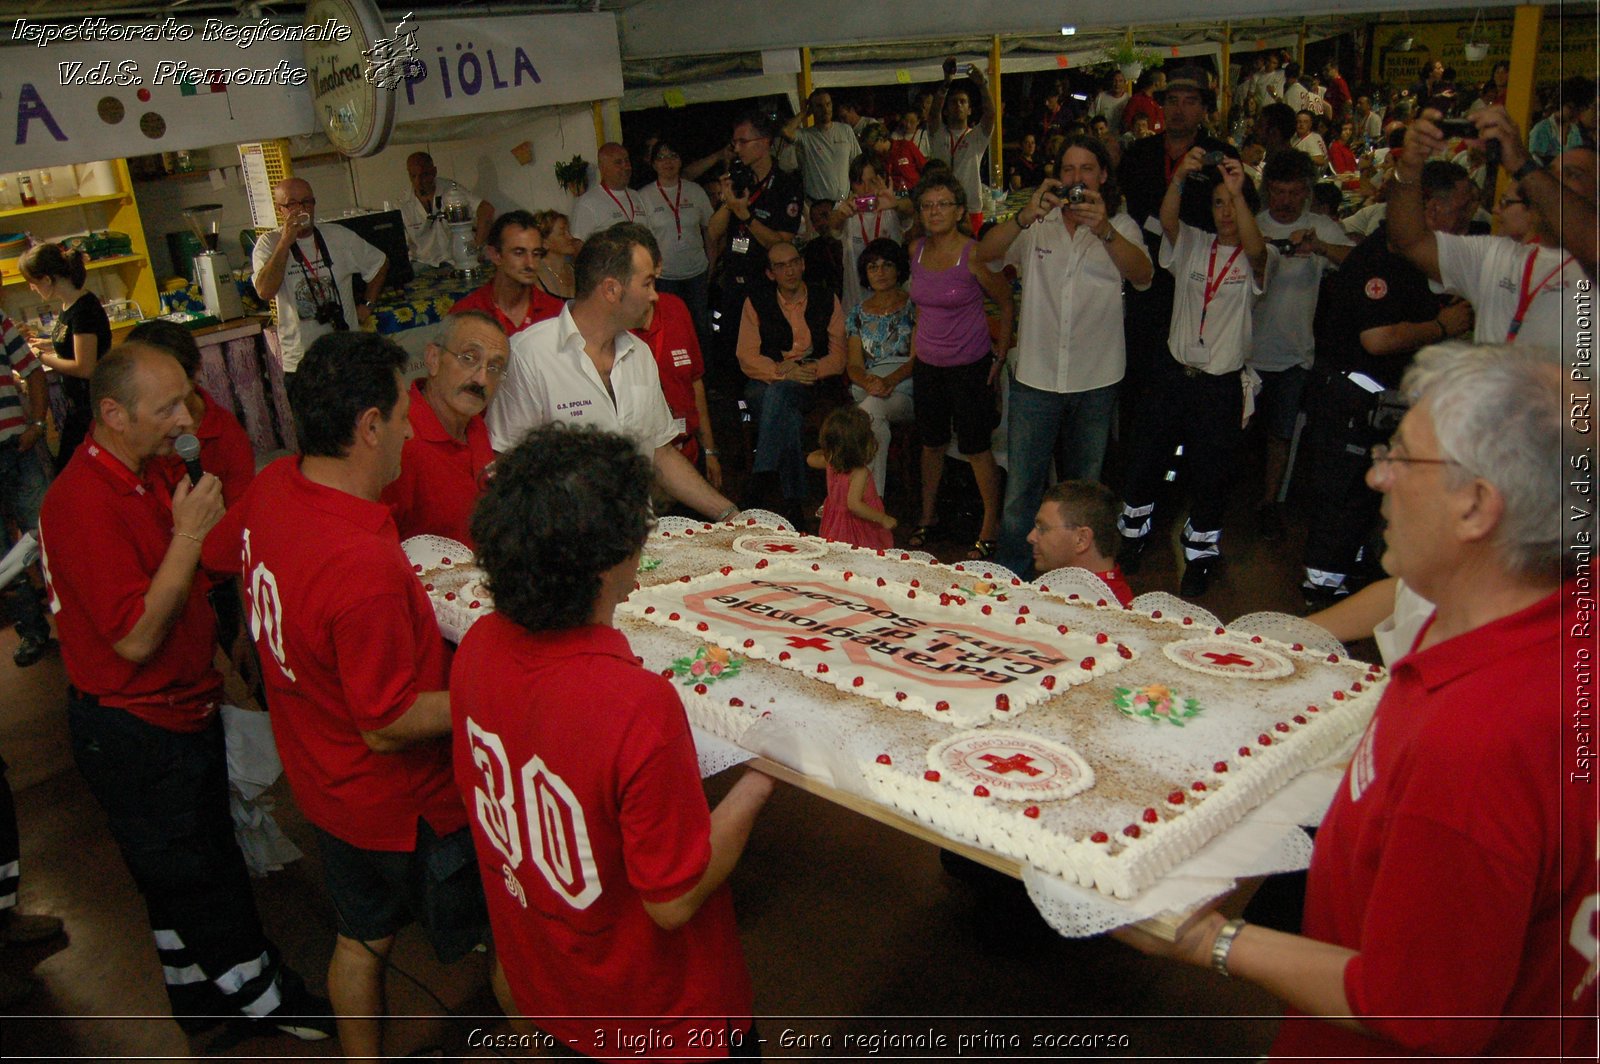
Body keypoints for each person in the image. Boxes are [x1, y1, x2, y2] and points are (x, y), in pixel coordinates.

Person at [1119, 344, 1596, 1060]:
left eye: (1403, 458)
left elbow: (1421, 1010)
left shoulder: (1477, 742)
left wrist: (1206, 939)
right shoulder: (1522, 618)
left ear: (1475, 506)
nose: (1377, 476)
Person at [39, 343, 332, 1042]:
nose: (184, 420)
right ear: (111, 414)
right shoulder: (80, 500)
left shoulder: (151, 470)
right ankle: (268, 1001)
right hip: (134, 731)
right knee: (201, 876)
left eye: (187, 397)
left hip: (184, 708)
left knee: (182, 875)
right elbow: (136, 637)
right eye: (166, 406)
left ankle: (201, 1008)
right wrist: (189, 534)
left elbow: (216, 542)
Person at [453, 423, 774, 1059]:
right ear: (610, 563)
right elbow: (673, 901)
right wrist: (764, 774)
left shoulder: (478, 646)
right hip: (661, 1022)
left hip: (553, 984)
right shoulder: (633, 704)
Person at [210, 332, 486, 1059]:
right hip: (404, 807)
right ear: (368, 425)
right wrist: (496, 692)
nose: (407, 426)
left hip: (323, 784)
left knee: (362, 941)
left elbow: (225, 561)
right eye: (401, 411)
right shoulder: (359, 562)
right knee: (511, 947)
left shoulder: (274, 486)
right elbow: (389, 721)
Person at [1299, 160, 1477, 609]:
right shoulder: (1383, 259)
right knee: (1343, 501)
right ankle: (1322, 594)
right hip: (1351, 399)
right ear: (1431, 210)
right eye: (1460, 208)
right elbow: (1377, 338)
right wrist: (1442, 325)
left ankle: (1347, 581)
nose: (1467, 219)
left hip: (1380, 403)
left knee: (1364, 500)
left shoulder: (1413, 258)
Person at [976, 135, 1153, 578]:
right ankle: (1014, 579)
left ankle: (1075, 583)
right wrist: (1022, 216)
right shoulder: (1039, 223)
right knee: (1021, 494)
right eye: (1068, 170)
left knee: (1084, 496)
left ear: (1103, 176)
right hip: (1036, 376)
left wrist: (1104, 229)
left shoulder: (1122, 227)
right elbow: (984, 254)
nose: (1076, 179)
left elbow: (1144, 276)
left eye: (1086, 169)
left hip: (1096, 379)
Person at [488, 222, 738, 522]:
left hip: (638, 542)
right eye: (646, 284)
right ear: (611, 289)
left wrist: (729, 515)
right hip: (564, 549)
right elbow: (508, 468)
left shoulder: (639, 354)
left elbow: (661, 454)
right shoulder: (531, 355)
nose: (655, 296)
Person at [1117, 151, 1272, 599]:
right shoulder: (1195, 243)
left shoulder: (1259, 258)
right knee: (1146, 459)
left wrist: (1240, 191)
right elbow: (1167, 221)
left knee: (1211, 473)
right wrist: (1180, 176)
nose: (1226, 212)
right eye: (1219, 203)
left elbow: (1256, 248)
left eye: (1234, 202)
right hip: (1173, 373)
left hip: (1219, 384)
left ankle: (1201, 554)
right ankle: (1132, 537)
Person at [1389, 110, 1584, 351]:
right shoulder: (1497, 253)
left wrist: (1522, 163)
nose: (1553, 181)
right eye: (1551, 172)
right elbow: (1409, 242)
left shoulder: (1588, 270)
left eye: (1573, 175)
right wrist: (1409, 168)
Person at [904, 174, 1014, 560]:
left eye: (943, 204)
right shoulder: (915, 249)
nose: (935, 212)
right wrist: (916, 356)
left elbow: (1006, 302)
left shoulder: (973, 254)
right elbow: (920, 309)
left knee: (976, 448)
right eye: (928, 205)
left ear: (958, 210)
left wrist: (999, 359)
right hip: (929, 365)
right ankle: (928, 516)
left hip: (970, 366)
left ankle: (989, 526)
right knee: (931, 444)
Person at [1246, 150, 1353, 541]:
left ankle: (1269, 503)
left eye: (1293, 193)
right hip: (1244, 352)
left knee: (1281, 433)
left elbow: (1357, 263)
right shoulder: (1252, 225)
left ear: (1306, 193)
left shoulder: (1319, 227)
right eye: (1277, 191)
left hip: (1293, 355)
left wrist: (1320, 247)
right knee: (1236, 432)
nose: (1285, 201)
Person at [736, 240, 845, 525]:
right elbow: (746, 356)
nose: (790, 270)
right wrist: (782, 372)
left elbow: (838, 357)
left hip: (812, 380)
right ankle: (793, 502)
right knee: (786, 413)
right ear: (771, 273)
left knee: (778, 397)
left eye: (794, 262)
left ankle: (761, 476)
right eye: (781, 266)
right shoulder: (756, 301)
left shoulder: (826, 297)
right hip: (768, 380)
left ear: (803, 264)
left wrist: (805, 369)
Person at [380, 310, 507, 546]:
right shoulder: (398, 437)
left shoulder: (475, 424)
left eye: (494, 368)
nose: (481, 379)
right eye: (469, 358)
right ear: (433, 358)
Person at [252, 178, 388, 374]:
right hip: (302, 361)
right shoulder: (269, 243)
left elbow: (380, 263)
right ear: (280, 209)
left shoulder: (338, 236)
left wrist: (367, 305)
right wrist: (285, 243)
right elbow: (265, 291)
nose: (301, 209)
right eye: (292, 204)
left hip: (346, 355)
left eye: (307, 202)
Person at [706, 112, 805, 382]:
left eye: (742, 141)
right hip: (734, 286)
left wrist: (746, 216)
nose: (736, 148)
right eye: (734, 143)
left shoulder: (786, 184)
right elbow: (713, 233)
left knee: (764, 356)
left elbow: (782, 245)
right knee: (730, 356)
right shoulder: (739, 180)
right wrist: (730, 203)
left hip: (766, 287)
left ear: (764, 142)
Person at [126, 320, 256, 508]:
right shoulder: (127, 433)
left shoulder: (227, 436)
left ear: (194, 373)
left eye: (169, 401)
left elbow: (241, 518)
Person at [19, 242, 107, 461]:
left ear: (47, 279)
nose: (31, 288)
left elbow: (85, 367)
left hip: (92, 406)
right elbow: (70, 343)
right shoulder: (70, 305)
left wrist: (39, 357)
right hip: (78, 405)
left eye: (32, 282)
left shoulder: (83, 309)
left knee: (70, 466)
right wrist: (47, 344)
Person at [0, 315, 55, 667]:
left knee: (50, 536)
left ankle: (81, 617)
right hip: (17, 448)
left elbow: (34, 371)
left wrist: (36, 425)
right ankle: (32, 630)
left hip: (15, 448)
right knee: (4, 561)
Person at [843, 237, 916, 499]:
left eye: (887, 265)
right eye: (873, 267)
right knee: (872, 413)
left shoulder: (914, 306)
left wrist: (889, 382)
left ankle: (859, 498)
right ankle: (867, 500)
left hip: (905, 386)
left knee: (868, 414)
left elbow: (917, 359)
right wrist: (870, 383)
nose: (880, 272)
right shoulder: (856, 313)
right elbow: (852, 365)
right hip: (869, 384)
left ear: (899, 269)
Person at [635, 289, 721, 486]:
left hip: (689, 452)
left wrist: (709, 451)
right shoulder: (613, 325)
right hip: (644, 466)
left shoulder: (674, 307)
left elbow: (695, 381)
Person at [640, 139, 715, 340]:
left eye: (673, 156)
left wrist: (711, 265)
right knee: (672, 330)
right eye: (661, 158)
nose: (668, 162)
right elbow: (643, 242)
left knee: (700, 328)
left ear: (681, 160)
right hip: (664, 278)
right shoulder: (644, 196)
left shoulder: (695, 191)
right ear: (653, 163)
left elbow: (711, 232)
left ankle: (704, 371)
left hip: (696, 273)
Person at [449, 210, 564, 335]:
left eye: (536, 254)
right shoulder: (466, 314)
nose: (530, 264)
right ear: (495, 255)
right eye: (519, 253)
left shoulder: (555, 311)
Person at [1025, 479, 1134, 607]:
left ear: (1081, 539)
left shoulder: (1110, 610)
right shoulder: (1071, 589)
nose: (1030, 537)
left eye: (1042, 528)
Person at [808, 406, 896, 550]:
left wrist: (830, 451)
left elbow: (810, 459)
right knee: (863, 556)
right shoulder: (860, 472)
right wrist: (882, 518)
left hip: (836, 523)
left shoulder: (831, 462)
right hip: (857, 526)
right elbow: (855, 505)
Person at [830, 153, 906, 317]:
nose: (866, 189)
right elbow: (833, 223)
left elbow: (911, 210)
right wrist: (840, 215)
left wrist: (897, 205)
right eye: (859, 183)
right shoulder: (846, 210)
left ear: (883, 179)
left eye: (872, 181)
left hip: (893, 309)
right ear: (851, 184)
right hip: (856, 307)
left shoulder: (892, 207)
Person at [928, 56, 996, 231]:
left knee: (971, 255)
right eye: (954, 102)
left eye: (963, 102)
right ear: (947, 109)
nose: (958, 105)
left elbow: (990, 114)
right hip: (942, 206)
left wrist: (982, 85)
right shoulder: (938, 133)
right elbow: (933, 114)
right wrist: (946, 82)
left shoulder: (976, 137)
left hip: (970, 208)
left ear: (970, 110)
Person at [399, 151, 493, 267]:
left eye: (423, 175)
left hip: (455, 261)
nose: (418, 182)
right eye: (413, 176)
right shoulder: (403, 203)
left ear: (434, 172)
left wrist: (476, 247)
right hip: (423, 264)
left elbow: (486, 210)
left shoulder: (450, 190)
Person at [794, 89, 861, 205]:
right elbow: (786, 131)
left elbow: (858, 163)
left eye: (828, 104)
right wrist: (804, 113)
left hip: (844, 203)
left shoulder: (845, 130)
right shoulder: (805, 135)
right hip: (817, 206)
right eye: (819, 106)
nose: (825, 109)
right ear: (812, 109)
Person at [570, 143, 642, 241]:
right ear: (602, 167)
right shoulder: (587, 203)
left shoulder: (636, 196)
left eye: (627, 161)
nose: (626, 167)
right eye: (618, 162)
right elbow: (579, 245)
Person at [531, 209, 581, 302]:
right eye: (562, 233)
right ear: (545, 243)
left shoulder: (575, 270)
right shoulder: (535, 277)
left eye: (568, 231)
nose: (570, 237)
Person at [1093, 70, 1131, 136]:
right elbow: (1092, 117)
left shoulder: (1129, 99)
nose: (1117, 84)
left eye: (1120, 81)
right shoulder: (1101, 97)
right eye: (1115, 81)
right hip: (1102, 137)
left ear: (1125, 82)